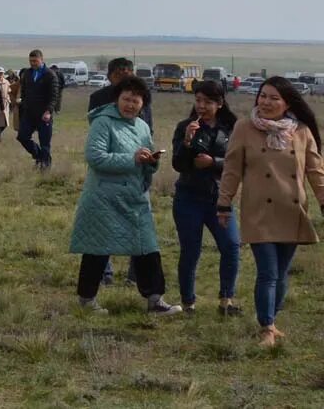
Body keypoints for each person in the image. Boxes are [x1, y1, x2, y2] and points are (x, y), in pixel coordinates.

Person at [217, 77, 324, 347]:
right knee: (268, 272)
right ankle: (266, 326)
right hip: (259, 212)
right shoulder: (244, 128)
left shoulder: (301, 131)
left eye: (273, 98)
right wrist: (224, 202)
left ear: (286, 103)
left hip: (292, 209)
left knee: (282, 272)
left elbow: (315, 171)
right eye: (262, 95)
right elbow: (231, 169)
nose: (265, 101)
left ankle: (272, 322)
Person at [70, 76, 181, 316]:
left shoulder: (141, 126)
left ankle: (155, 300)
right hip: (103, 198)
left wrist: (151, 161)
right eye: (126, 99)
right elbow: (95, 157)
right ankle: (87, 300)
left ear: (143, 104)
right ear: (117, 99)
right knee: (97, 249)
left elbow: (144, 159)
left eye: (136, 100)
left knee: (147, 248)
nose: (130, 104)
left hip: (135, 199)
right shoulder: (103, 122)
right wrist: (132, 159)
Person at [171, 80, 240, 315]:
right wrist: (187, 141)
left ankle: (226, 300)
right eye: (198, 100)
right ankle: (188, 302)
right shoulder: (185, 126)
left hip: (220, 198)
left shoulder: (232, 128)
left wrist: (214, 163)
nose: (201, 106)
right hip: (188, 198)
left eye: (208, 102)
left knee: (231, 246)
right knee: (191, 251)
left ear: (219, 103)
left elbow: (240, 162)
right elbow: (178, 164)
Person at [88, 57, 151, 286]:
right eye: (120, 72)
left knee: (140, 229)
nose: (126, 75)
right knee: (104, 229)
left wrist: (150, 161)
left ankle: (136, 277)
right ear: (111, 75)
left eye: (129, 71)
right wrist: (127, 156)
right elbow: (97, 149)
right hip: (109, 178)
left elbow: (147, 132)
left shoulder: (142, 100)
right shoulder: (99, 102)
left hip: (136, 176)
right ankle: (104, 275)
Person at [17, 50, 59, 169]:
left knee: (45, 143)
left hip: (44, 114)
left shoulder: (50, 74)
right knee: (22, 137)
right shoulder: (27, 74)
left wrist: (48, 111)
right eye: (31, 61)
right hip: (29, 113)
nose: (33, 63)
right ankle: (38, 155)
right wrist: (24, 103)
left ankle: (45, 168)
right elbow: (24, 91)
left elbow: (54, 95)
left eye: (35, 61)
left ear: (41, 59)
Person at [89, 57, 152, 130]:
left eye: (126, 77)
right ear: (109, 77)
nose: (123, 82)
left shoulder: (142, 95)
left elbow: (148, 125)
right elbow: (96, 127)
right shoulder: (98, 97)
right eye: (118, 75)